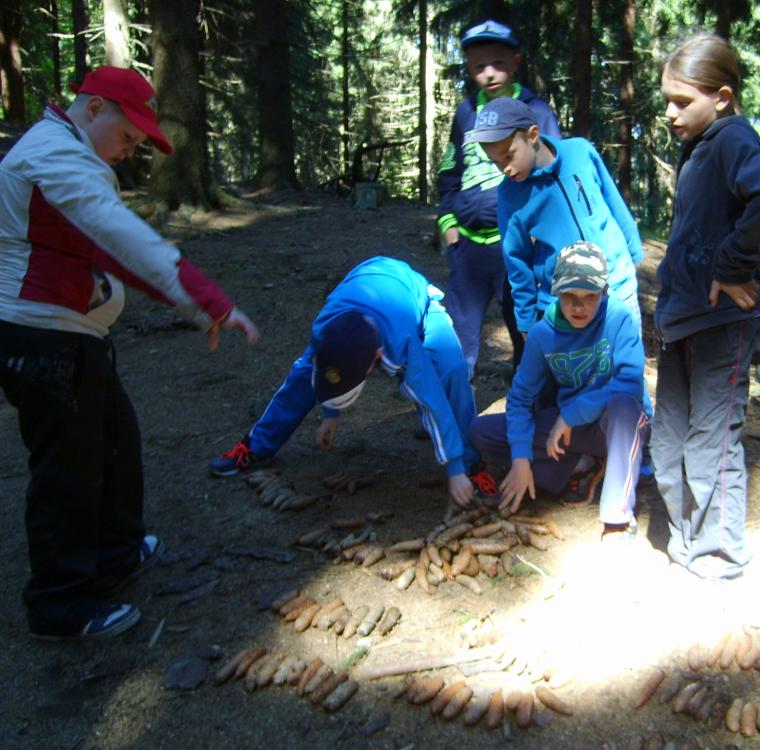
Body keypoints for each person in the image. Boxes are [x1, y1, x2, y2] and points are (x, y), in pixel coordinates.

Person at [0, 66, 260, 640]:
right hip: (43, 339)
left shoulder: (70, 154)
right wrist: (208, 301)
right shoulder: (53, 158)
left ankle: (115, 552)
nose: (129, 151)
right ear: (93, 109)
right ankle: (59, 605)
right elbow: (122, 239)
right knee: (68, 469)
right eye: (127, 137)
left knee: (115, 442)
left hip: (73, 335)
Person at [651, 34, 760, 581]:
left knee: (712, 443)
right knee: (669, 441)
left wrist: (732, 267)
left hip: (721, 327)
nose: (670, 113)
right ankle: (687, 539)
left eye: (682, 101)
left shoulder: (733, 138)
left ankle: (720, 553)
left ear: (723, 96)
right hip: (682, 321)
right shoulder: (699, 145)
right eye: (667, 100)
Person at [210, 256, 492, 510]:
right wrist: (330, 414)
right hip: (365, 284)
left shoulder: (402, 342)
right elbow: (326, 372)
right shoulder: (325, 329)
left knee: (452, 370)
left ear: (377, 358)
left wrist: (454, 468)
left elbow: (431, 401)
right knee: (301, 377)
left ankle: (471, 465)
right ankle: (255, 446)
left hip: (413, 296)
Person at [469, 242, 648, 542]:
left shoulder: (620, 319)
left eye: (589, 297)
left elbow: (631, 383)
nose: (578, 307)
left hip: (610, 426)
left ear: (604, 292)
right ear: (556, 291)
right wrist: (520, 458)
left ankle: (617, 519)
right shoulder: (543, 334)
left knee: (625, 407)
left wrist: (572, 414)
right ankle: (582, 466)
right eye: (569, 296)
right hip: (565, 432)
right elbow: (520, 400)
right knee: (480, 431)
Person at [437, 19, 561, 378]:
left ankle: (529, 398)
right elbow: (450, 170)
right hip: (468, 246)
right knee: (458, 333)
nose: (489, 73)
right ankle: (454, 399)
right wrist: (447, 221)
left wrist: (541, 233)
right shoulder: (465, 113)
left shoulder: (536, 112)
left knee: (525, 326)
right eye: (479, 66)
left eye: (498, 63)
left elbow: (554, 173)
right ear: (469, 68)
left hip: (516, 245)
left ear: (516, 62)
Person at [464, 96, 644, 339]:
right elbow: (516, 261)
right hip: (568, 304)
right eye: (495, 162)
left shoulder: (580, 152)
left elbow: (613, 201)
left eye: (509, 155)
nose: (504, 168)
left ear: (532, 135)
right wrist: (526, 320)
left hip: (618, 287)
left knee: (626, 360)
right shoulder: (510, 195)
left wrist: (633, 251)